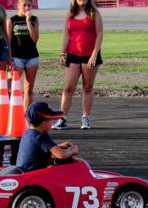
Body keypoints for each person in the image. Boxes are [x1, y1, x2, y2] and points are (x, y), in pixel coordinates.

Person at [52, 0, 103, 130]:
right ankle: (62, 118)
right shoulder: (70, 13)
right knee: (68, 88)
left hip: (89, 55)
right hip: (73, 54)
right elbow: (67, 35)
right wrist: (62, 53)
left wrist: (94, 55)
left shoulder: (94, 13)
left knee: (87, 87)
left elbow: (99, 35)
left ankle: (85, 117)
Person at [16, 102, 79, 172]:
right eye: (50, 121)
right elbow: (62, 155)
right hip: (33, 174)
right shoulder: (41, 136)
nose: (51, 124)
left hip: (23, 170)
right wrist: (71, 151)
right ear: (43, 123)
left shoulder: (28, 133)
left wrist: (59, 146)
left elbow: (39, 147)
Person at [9, 0, 40, 111]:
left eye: (29, 5)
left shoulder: (34, 19)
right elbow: (9, 40)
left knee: (29, 89)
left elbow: (35, 38)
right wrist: (9, 58)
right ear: (18, 5)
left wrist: (28, 21)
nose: (27, 7)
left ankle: (27, 113)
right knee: (14, 87)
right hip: (17, 57)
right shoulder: (12, 20)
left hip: (32, 57)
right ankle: (13, 112)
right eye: (24, 5)